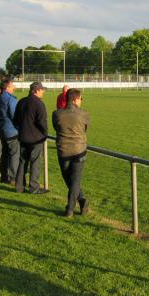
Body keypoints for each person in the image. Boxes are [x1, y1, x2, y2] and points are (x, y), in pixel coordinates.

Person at [52, 88, 90, 217]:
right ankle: (81, 199)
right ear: (75, 100)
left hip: (63, 150)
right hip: (79, 150)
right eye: (80, 99)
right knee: (75, 180)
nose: (81, 101)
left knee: (70, 179)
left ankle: (70, 208)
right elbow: (85, 129)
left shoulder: (57, 114)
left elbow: (56, 128)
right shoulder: (84, 114)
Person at [13, 82, 49, 194]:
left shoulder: (22, 101)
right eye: (42, 90)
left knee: (22, 161)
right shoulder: (39, 104)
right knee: (35, 162)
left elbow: (16, 120)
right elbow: (42, 122)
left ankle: (19, 187)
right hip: (36, 139)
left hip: (23, 137)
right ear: (36, 90)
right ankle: (34, 187)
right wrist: (45, 133)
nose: (43, 92)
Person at [0, 79, 20, 184]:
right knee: (14, 155)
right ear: (7, 88)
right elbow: (14, 115)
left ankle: (3, 176)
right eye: (12, 86)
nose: (14, 87)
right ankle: (13, 177)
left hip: (1, 130)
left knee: (5, 154)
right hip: (11, 131)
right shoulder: (10, 99)